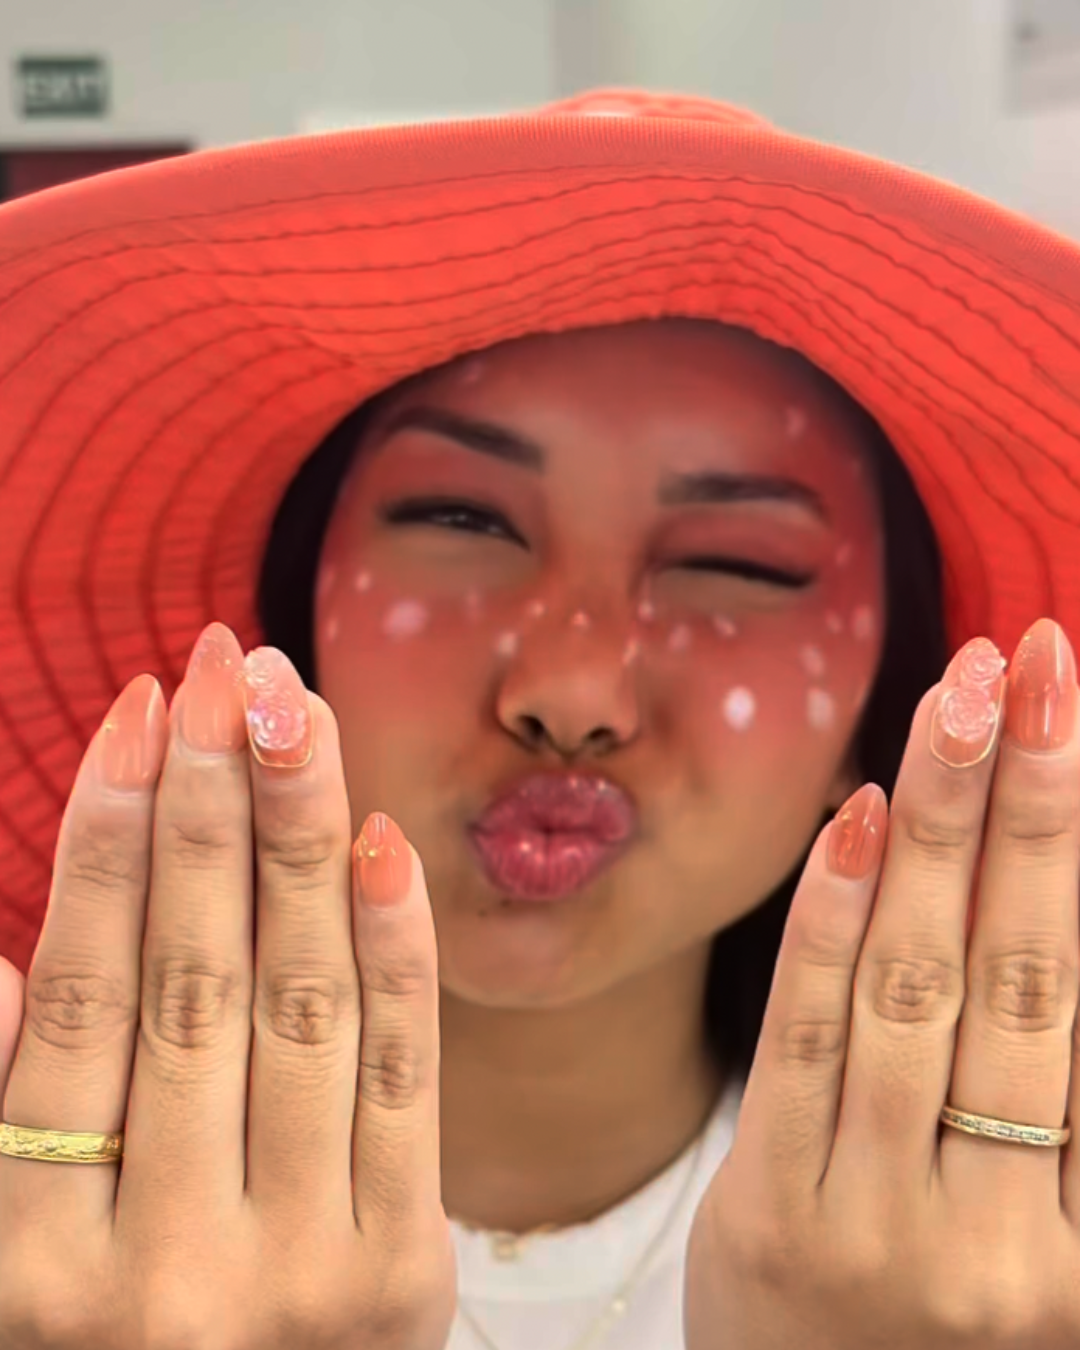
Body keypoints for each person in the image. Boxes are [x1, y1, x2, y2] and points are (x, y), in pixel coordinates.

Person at [0, 86, 1079, 1350]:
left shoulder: (1028, 1270)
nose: (571, 696)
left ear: (878, 710)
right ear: (296, 629)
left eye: (740, 565)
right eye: (462, 522)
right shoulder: (44, 1245)